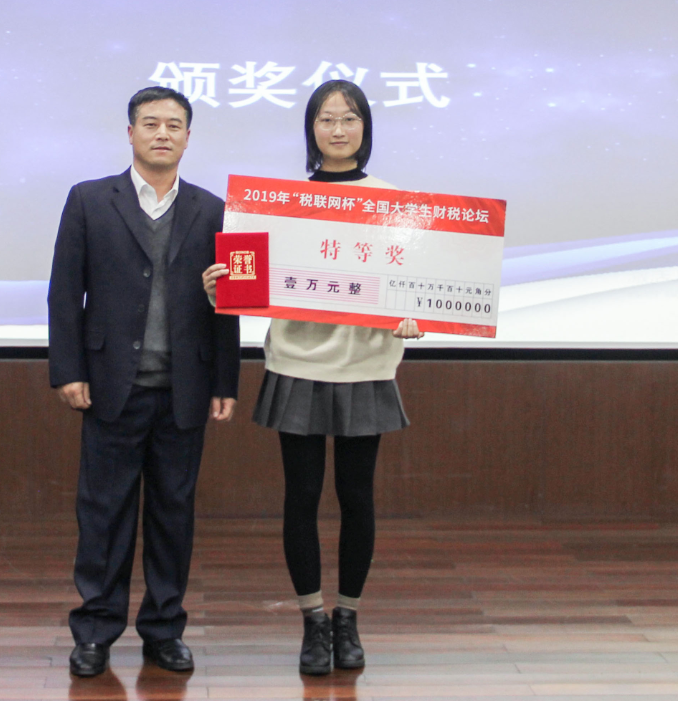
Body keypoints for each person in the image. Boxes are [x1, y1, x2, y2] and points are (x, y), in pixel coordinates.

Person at [203, 79, 424, 675]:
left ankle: (348, 616)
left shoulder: (395, 203)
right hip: (297, 362)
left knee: (357, 497)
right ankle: (312, 621)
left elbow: (415, 284)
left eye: (349, 118)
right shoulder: (278, 202)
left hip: (366, 366)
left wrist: (414, 315)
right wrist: (223, 288)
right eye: (326, 119)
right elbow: (250, 282)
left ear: (365, 128)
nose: (338, 129)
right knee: (300, 497)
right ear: (311, 129)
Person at [48, 86, 240, 678]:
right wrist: (68, 369)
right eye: (151, 123)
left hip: (184, 388)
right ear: (130, 133)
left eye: (174, 125)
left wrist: (225, 381)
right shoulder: (89, 200)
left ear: (188, 137)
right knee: (103, 514)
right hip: (111, 386)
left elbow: (228, 304)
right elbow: (64, 292)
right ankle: (95, 631)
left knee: (172, 515)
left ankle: (164, 629)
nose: (162, 133)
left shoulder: (214, 209)